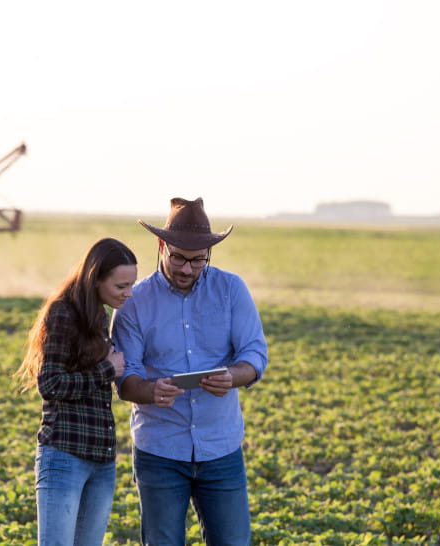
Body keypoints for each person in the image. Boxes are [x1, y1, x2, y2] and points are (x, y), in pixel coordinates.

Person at [111, 197, 268, 546]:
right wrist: (151, 391)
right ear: (161, 245)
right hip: (160, 450)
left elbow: (254, 354)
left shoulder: (231, 289)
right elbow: (126, 378)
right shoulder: (134, 302)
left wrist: (233, 377)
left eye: (198, 261)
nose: (186, 269)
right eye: (178, 257)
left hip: (221, 447)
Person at [16, 237, 139, 546]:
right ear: (96, 278)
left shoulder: (100, 315)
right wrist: (107, 370)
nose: (129, 293)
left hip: (102, 459)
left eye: (131, 285)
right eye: (121, 286)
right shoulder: (63, 313)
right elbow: (51, 385)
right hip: (65, 455)